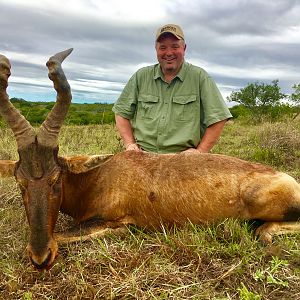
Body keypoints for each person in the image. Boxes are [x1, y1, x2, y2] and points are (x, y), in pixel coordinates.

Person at [113, 24, 232, 154]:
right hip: (143, 156)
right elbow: (121, 112)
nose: (169, 53)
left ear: (184, 48)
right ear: (156, 49)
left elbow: (219, 118)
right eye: (163, 48)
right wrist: (130, 144)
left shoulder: (200, 77)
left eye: (175, 47)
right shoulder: (141, 76)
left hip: (183, 159)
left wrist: (200, 151)